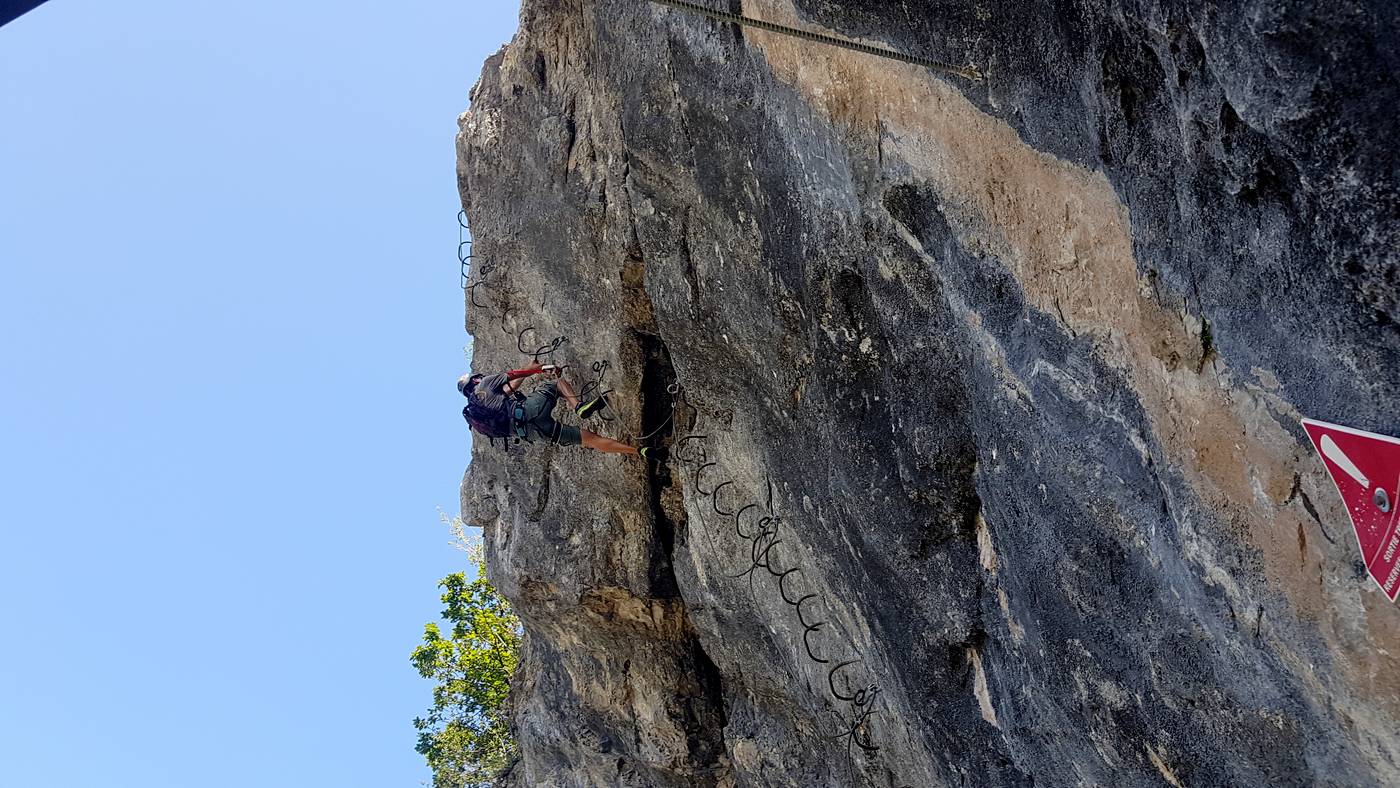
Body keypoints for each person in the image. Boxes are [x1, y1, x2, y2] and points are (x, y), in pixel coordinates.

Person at [459, 361, 660, 459]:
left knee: (589, 440)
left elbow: (512, 387)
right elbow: (513, 375)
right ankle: (579, 407)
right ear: (475, 380)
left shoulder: (480, 409)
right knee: (556, 385)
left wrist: (533, 368)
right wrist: (540, 368)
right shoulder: (484, 384)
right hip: (529, 410)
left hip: (534, 432)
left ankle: (639, 451)